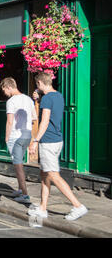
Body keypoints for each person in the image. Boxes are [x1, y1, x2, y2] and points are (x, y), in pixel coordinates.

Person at [28, 72, 88, 221]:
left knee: (53, 174)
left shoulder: (47, 98)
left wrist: (35, 141)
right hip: (57, 140)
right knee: (44, 174)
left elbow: (45, 121)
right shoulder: (58, 95)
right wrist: (39, 99)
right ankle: (42, 208)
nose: (37, 87)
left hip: (48, 141)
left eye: (37, 85)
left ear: (40, 83)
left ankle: (77, 206)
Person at [0, 77, 37, 204]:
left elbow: (10, 121)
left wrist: (6, 137)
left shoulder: (11, 101)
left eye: (4, 90)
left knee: (18, 165)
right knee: (18, 163)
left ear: (9, 87)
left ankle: (25, 195)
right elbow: (34, 118)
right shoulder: (28, 99)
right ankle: (20, 189)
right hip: (27, 135)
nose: (4, 93)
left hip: (15, 136)